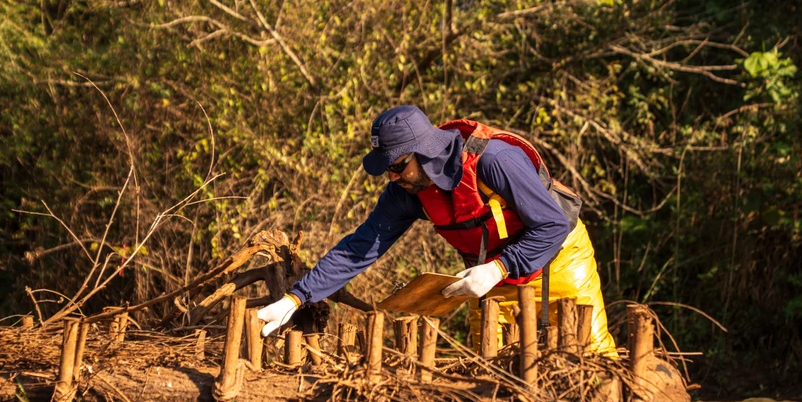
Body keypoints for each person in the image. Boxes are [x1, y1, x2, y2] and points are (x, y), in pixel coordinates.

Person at [257, 105, 618, 355]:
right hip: (491, 281)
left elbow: (552, 225)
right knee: (492, 371)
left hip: (557, 263)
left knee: (591, 362)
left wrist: (498, 268)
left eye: (397, 165)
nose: (392, 177)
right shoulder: (406, 192)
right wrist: (296, 298)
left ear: (425, 152)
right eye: (387, 170)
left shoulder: (494, 161)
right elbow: (360, 247)